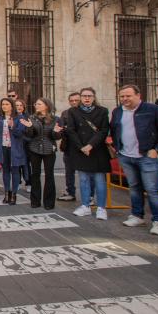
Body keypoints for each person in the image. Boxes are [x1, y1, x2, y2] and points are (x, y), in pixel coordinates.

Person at [110, 84, 158, 236]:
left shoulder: (153, 110)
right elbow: (114, 130)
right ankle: (137, 215)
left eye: (128, 95)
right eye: (122, 96)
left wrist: (157, 149)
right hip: (126, 155)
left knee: (153, 190)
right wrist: (116, 147)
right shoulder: (117, 111)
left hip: (146, 156)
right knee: (134, 187)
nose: (125, 99)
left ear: (138, 95)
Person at [67, 88, 112, 221]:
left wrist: (90, 145)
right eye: (84, 96)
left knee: (99, 180)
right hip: (81, 150)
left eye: (89, 96)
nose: (87, 98)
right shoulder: (73, 111)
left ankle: (101, 208)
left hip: (97, 149)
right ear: (80, 97)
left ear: (94, 97)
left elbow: (104, 130)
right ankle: (85, 205)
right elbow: (71, 130)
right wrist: (81, 147)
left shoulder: (102, 111)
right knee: (83, 179)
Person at [21, 98, 62, 210]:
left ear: (46, 106)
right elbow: (30, 135)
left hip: (49, 149)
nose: (36, 105)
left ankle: (49, 202)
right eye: (36, 103)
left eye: (39, 104)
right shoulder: (32, 118)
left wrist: (56, 132)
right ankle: (35, 201)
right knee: (35, 175)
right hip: (34, 149)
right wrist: (29, 128)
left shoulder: (55, 119)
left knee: (49, 175)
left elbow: (56, 137)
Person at [0, 98, 27, 205]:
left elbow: (20, 134)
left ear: (12, 106)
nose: (4, 106)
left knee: (15, 171)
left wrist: (12, 126)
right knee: (5, 171)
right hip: (2, 147)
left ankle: (14, 194)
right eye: (3, 104)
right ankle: (7, 193)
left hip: (14, 148)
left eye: (7, 104)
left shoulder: (19, 117)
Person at [58, 92, 82, 201]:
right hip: (68, 146)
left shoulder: (86, 113)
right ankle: (70, 192)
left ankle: (90, 196)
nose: (74, 102)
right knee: (69, 171)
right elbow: (62, 129)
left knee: (85, 173)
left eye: (76, 100)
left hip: (83, 147)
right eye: (71, 100)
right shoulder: (65, 113)